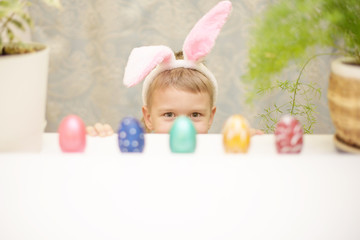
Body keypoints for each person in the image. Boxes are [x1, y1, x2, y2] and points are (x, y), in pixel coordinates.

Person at [87, 1, 261, 136]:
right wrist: (100, 144)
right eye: (169, 115)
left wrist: (244, 149)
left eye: (195, 115)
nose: (182, 128)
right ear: (148, 118)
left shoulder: (216, 155)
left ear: (211, 117)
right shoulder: (138, 155)